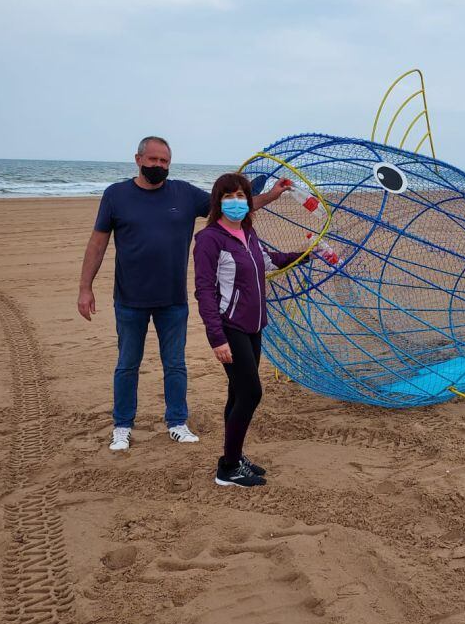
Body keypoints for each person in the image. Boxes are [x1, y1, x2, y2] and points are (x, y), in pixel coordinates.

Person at [77, 136, 288, 451]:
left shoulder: (184, 194)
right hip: (129, 300)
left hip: (173, 301)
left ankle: (177, 422)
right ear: (138, 159)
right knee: (127, 364)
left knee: (175, 364)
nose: (159, 166)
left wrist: (271, 194)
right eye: (153, 161)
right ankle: (122, 426)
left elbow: (233, 209)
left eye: (164, 161)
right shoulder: (116, 195)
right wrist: (85, 287)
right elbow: (98, 243)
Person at [192, 173, 306, 488]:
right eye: (229, 196)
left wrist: (306, 254)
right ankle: (228, 469)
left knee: (238, 392)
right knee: (252, 393)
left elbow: (270, 262)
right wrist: (216, 338)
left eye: (242, 196)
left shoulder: (248, 233)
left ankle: (232, 457)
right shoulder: (209, 239)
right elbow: (204, 291)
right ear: (218, 201)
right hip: (230, 328)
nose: (237, 202)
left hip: (254, 326)